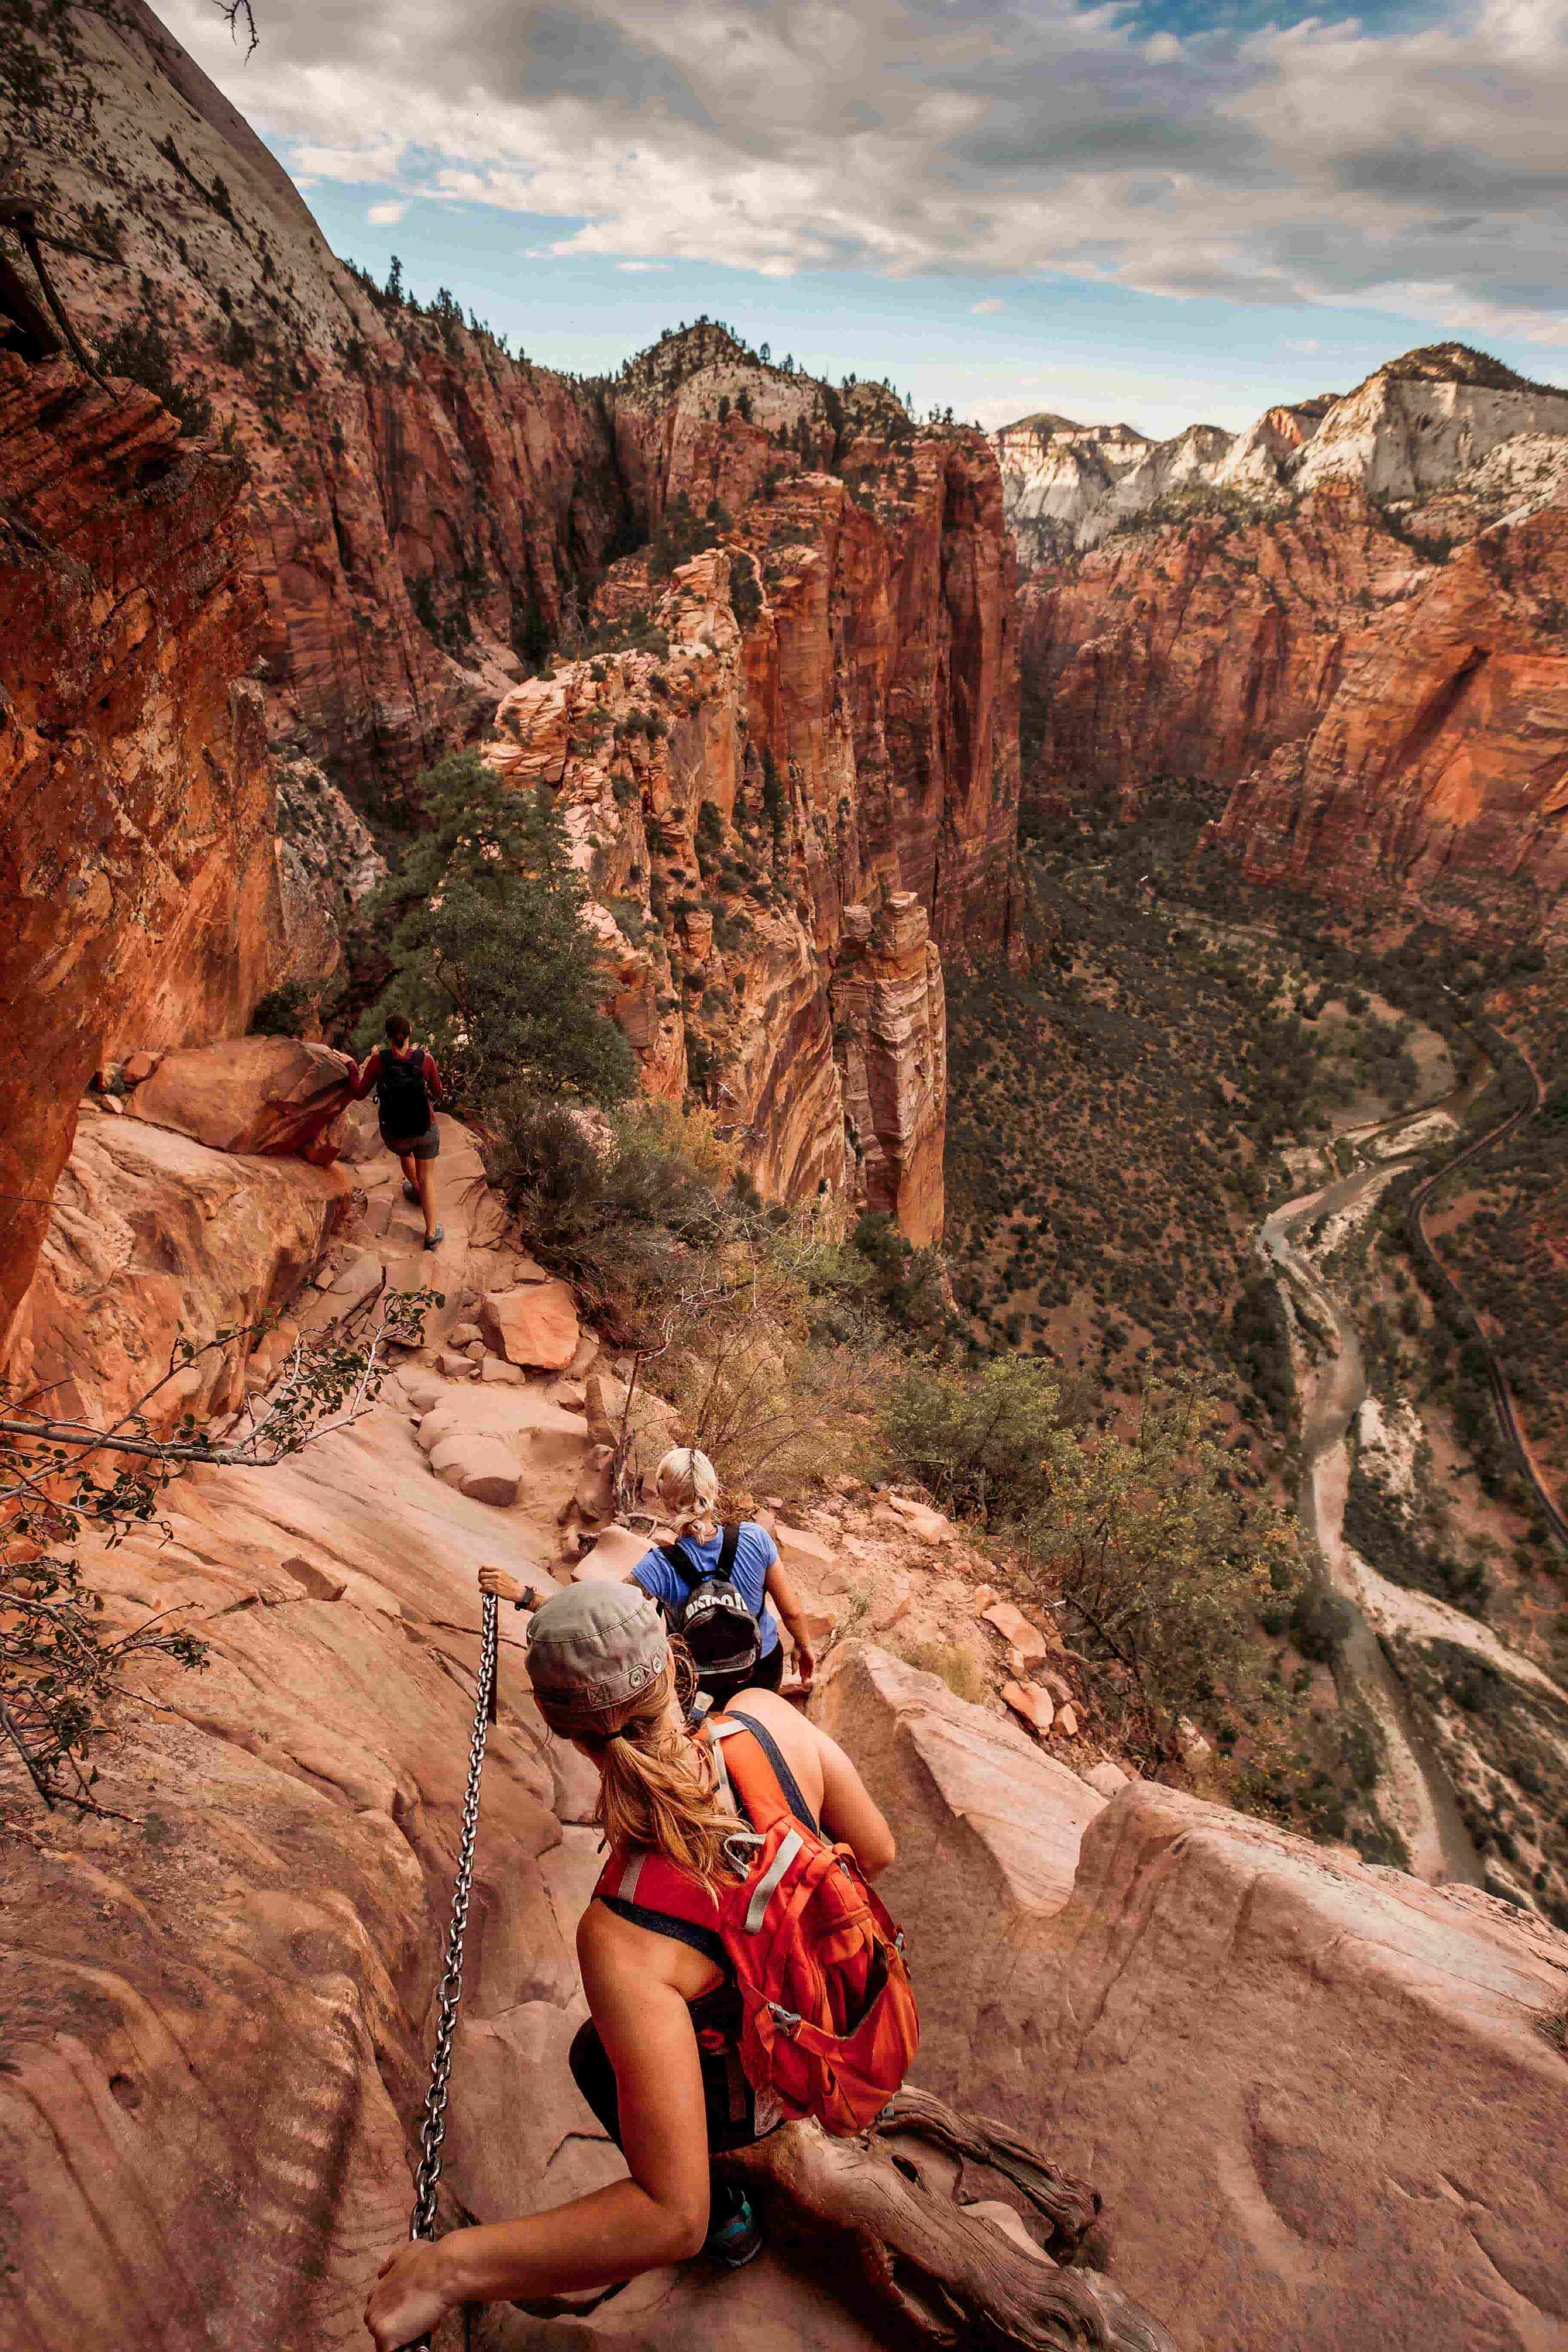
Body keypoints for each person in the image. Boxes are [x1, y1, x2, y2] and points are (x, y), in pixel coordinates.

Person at [364, 1580, 896, 2350]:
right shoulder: (771, 1722)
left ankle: (733, 2222)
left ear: (568, 1733)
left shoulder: (621, 1932)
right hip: (846, 2019)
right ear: (672, 1668)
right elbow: (876, 1851)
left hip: (774, 2086)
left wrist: (448, 2268)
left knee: (594, 2056)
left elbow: (665, 2219)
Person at [631, 1447, 818, 1702]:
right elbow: (792, 1612)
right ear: (716, 1491)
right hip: (761, 1665)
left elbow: (615, 1611)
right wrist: (804, 1646)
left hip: (701, 1680)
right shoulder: (755, 1538)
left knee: (706, 1736)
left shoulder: (657, 1565)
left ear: (665, 1500)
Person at [339, 1012, 445, 1251]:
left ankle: (416, 1190)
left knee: (405, 1153)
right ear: (409, 1034)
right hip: (424, 1129)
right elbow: (438, 1092)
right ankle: (431, 1234)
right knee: (427, 1175)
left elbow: (358, 1092)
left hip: (395, 1134)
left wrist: (351, 1066)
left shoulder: (379, 1061)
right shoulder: (425, 1060)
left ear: (387, 1036)